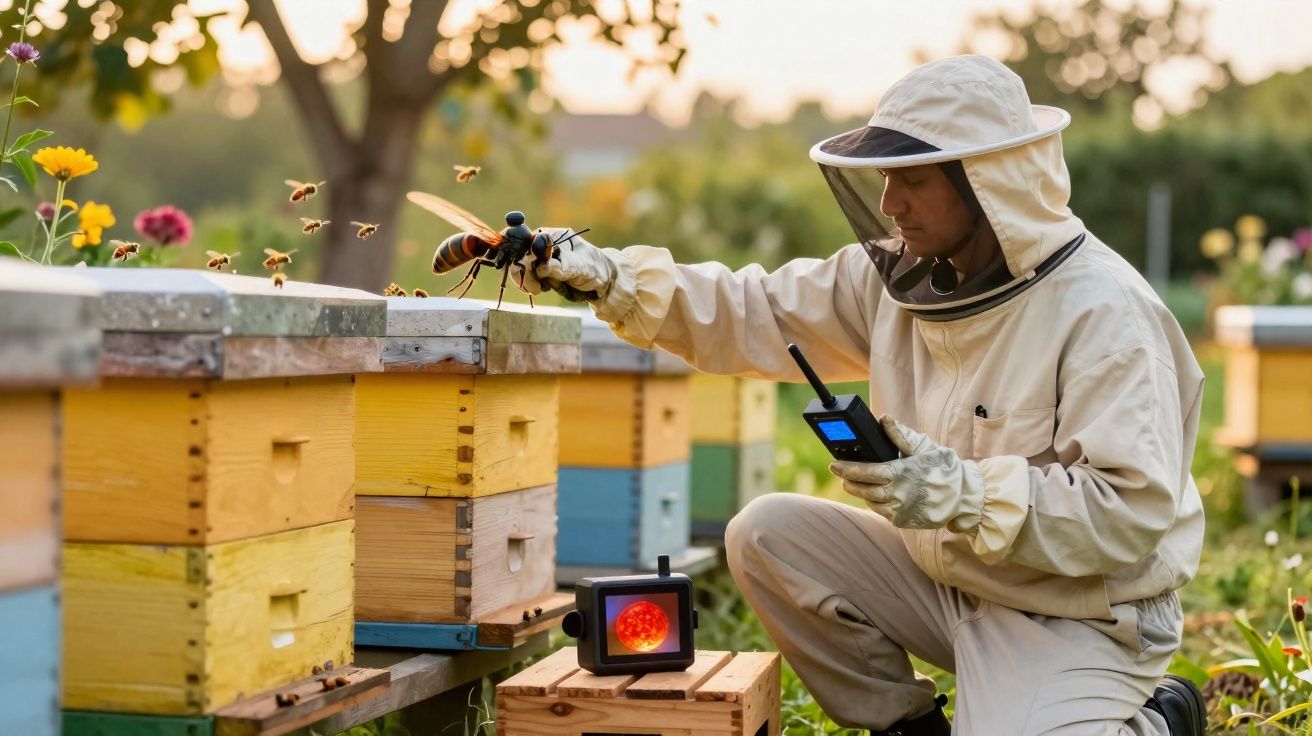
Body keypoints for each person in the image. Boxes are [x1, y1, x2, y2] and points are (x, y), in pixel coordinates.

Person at [457, 55, 1210, 735]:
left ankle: (1159, 721)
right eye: (884, 178)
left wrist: (963, 493)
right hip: (948, 582)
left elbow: (1129, 513)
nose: (890, 204)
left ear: (989, 183)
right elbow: (756, 310)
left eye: (912, 178)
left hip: (1077, 613)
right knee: (767, 532)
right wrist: (610, 277)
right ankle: (908, 726)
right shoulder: (899, 279)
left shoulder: (1105, 315)